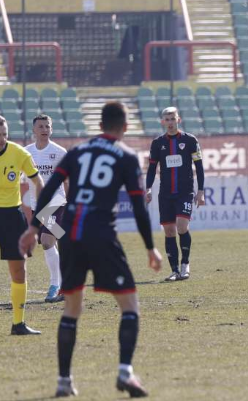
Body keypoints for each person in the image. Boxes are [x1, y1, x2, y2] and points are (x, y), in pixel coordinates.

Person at [19, 102, 162, 397]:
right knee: (130, 306)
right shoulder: (125, 155)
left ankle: (63, 380)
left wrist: (33, 228)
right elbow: (137, 206)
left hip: (71, 233)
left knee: (72, 308)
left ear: (99, 126)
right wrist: (150, 248)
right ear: (124, 128)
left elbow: (47, 187)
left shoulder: (76, 152)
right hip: (101, 234)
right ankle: (125, 372)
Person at [145, 107, 205, 282]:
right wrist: (148, 188)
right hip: (165, 193)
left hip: (185, 192)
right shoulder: (157, 143)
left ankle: (185, 265)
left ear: (178, 120)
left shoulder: (190, 140)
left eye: (173, 119)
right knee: (169, 231)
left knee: (182, 226)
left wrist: (200, 191)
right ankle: (174, 271)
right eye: (167, 119)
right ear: (163, 122)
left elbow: (199, 167)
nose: (170, 122)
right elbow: (151, 169)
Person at [0, 116, 44, 335]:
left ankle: (18, 324)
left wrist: (36, 222)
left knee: (19, 272)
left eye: (4, 135)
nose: (1, 139)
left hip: (11, 216)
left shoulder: (19, 154)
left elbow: (38, 183)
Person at [25, 114, 68, 303]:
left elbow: (68, 179)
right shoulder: (25, 153)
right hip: (37, 205)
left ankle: (55, 285)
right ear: (33, 130)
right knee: (58, 240)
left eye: (47, 126)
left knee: (47, 240)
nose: (44, 129)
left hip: (55, 202)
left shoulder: (59, 152)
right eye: (40, 126)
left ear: (51, 129)